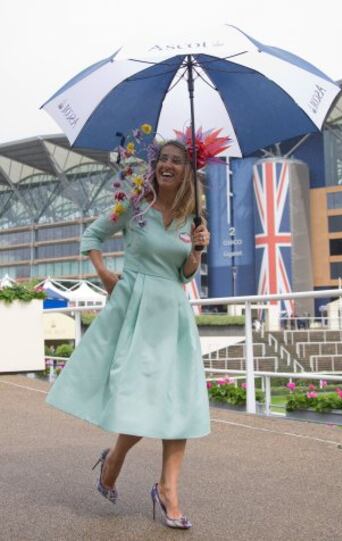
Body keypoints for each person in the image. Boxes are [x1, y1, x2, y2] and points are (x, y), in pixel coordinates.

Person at [46, 135, 212, 530]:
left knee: (179, 402)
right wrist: (104, 274)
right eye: (163, 159)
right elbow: (92, 236)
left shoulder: (194, 219)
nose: (168, 165)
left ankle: (168, 490)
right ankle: (116, 458)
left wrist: (198, 252)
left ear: (189, 171)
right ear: (155, 165)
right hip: (135, 312)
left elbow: (184, 275)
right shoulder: (135, 206)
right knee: (142, 398)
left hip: (172, 315)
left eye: (177, 161)